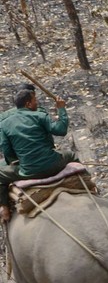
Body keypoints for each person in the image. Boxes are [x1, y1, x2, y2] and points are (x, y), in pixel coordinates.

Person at [0, 86, 77, 221]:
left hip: (28, 171)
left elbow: (6, 150)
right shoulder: (40, 115)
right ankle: (91, 187)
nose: (37, 103)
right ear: (28, 104)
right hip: (54, 165)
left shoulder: (4, 123)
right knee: (71, 155)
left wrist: (15, 161)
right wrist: (61, 109)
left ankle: (4, 208)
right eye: (35, 101)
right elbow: (61, 130)